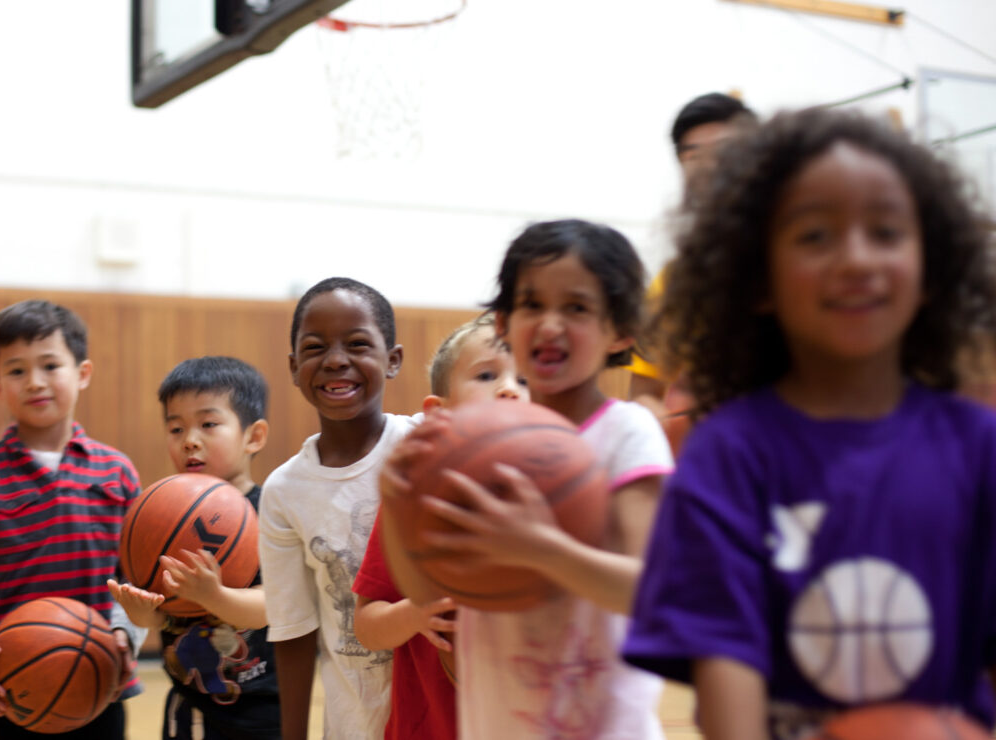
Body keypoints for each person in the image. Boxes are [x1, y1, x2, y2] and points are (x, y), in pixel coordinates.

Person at [622, 107, 996, 740]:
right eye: (815, 235)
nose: (855, 257)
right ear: (756, 278)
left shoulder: (977, 445)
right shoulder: (729, 453)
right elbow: (726, 675)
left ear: (931, 268)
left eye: (885, 231)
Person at [379, 220, 675, 738]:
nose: (550, 324)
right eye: (532, 305)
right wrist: (400, 503)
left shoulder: (628, 432)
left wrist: (541, 549)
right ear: (503, 321)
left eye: (577, 308)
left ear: (622, 331)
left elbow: (651, 589)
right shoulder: (473, 446)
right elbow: (424, 586)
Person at [0, 299, 147, 740]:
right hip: (8, 683)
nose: (34, 382)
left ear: (83, 373)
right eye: (16, 371)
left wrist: (125, 632)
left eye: (50, 365)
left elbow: (135, 575)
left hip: (100, 682)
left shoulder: (117, 471)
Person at [351, 313, 528, 739]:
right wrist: (415, 613)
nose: (509, 388)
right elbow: (367, 627)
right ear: (438, 415)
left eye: (526, 379)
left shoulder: (567, 503)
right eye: (487, 374)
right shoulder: (414, 505)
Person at [258, 277, 414, 740]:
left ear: (393, 360)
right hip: (356, 726)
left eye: (358, 344)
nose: (336, 360)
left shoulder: (428, 442)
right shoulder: (285, 490)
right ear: (293, 366)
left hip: (442, 714)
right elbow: (294, 627)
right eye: (315, 347)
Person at [107, 355, 280, 739]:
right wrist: (144, 615)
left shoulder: (271, 512)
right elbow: (162, 617)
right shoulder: (157, 517)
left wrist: (214, 595)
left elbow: (273, 606)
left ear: (253, 436)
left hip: (261, 709)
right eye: (175, 428)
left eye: (208, 424)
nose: (190, 440)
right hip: (188, 703)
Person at [630, 92, 757, 430]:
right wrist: (656, 418)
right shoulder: (676, 283)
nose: (710, 166)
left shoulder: (802, 264)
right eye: (693, 156)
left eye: (726, 151)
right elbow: (645, 395)